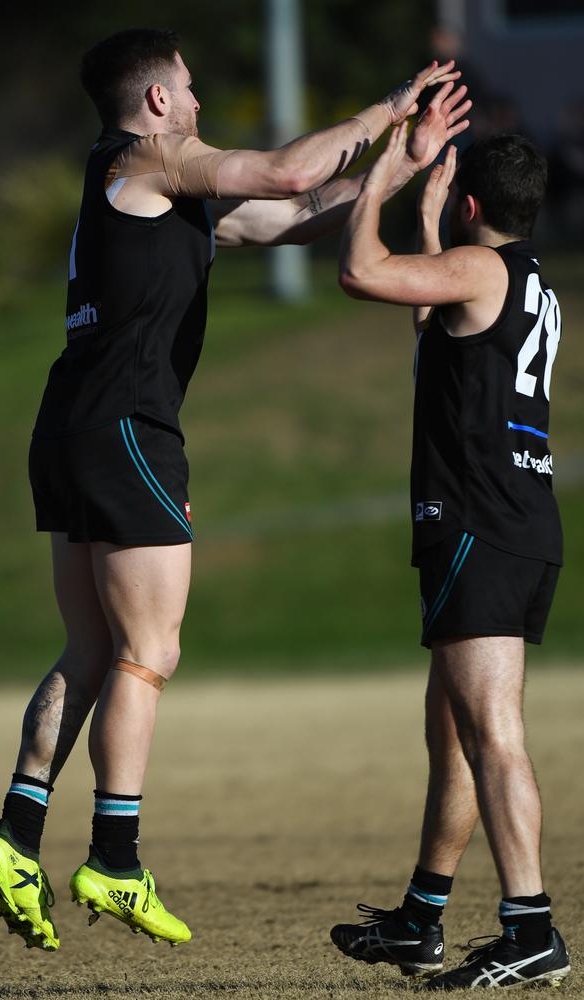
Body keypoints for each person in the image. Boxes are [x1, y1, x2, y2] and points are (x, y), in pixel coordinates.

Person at [0, 28, 469, 952]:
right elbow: (283, 173)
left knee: (89, 646)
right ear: (157, 100)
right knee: (147, 652)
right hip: (128, 426)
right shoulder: (153, 155)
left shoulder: (139, 185)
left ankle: (16, 835)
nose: (200, 105)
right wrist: (386, 107)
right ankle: (116, 858)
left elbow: (285, 214)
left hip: (72, 423)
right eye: (191, 91)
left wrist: (400, 166)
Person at [329, 129, 570, 989]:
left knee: (491, 734)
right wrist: (431, 220)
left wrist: (380, 188)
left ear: (475, 207)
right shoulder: (520, 280)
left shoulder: (483, 270)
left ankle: (531, 925)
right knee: (457, 734)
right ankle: (421, 919)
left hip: (481, 523)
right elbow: (439, 328)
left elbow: (363, 274)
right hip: (511, 524)